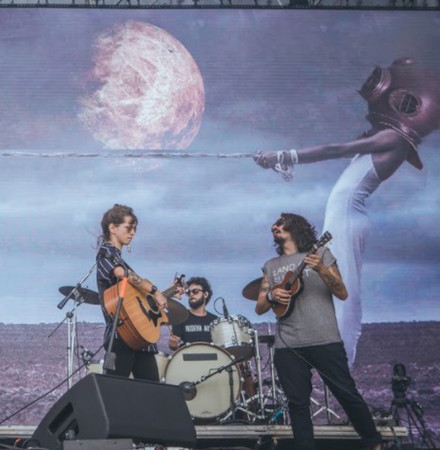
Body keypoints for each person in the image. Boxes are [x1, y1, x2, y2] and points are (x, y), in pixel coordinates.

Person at [254, 58, 440, 366]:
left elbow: (334, 149)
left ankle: (343, 364)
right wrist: (278, 159)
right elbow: (336, 148)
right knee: (333, 289)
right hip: (341, 219)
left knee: (345, 293)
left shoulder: (395, 138)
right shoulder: (386, 137)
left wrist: (285, 155)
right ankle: (336, 360)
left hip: (347, 219)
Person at [255, 213, 382, 450]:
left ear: (295, 227)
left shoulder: (320, 253)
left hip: (324, 338)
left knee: (346, 392)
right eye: (273, 224)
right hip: (289, 344)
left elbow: (342, 292)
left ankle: (373, 442)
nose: (274, 226)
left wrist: (321, 268)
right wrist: (272, 295)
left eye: (280, 223)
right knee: (297, 404)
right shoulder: (271, 266)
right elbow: (260, 306)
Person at [95, 204, 167, 381]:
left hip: (141, 337)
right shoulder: (106, 252)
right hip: (122, 334)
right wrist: (154, 290)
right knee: (116, 391)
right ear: (113, 228)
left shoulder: (119, 258)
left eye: (134, 228)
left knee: (151, 390)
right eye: (128, 227)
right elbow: (120, 273)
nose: (133, 232)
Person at [167, 276, 218, 351]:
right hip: (188, 360)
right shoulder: (180, 317)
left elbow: (220, 346)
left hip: (211, 359)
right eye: (188, 292)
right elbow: (173, 347)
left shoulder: (215, 320)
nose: (191, 294)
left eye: (195, 291)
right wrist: (173, 344)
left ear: (205, 294)